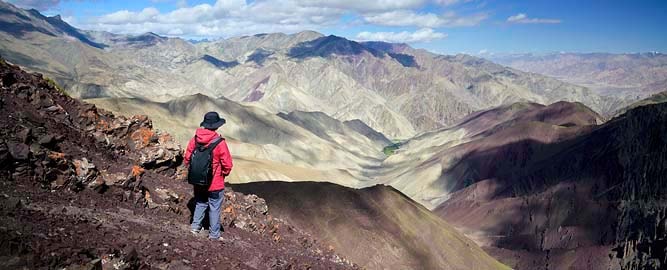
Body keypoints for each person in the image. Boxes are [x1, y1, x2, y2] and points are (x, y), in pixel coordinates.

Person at [184, 111, 233, 240]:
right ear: (217, 126)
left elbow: (187, 157)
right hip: (215, 182)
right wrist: (224, 174)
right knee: (214, 207)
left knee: (200, 202)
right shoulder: (219, 142)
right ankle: (214, 235)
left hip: (198, 180)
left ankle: (195, 227)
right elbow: (227, 163)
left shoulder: (195, 139)